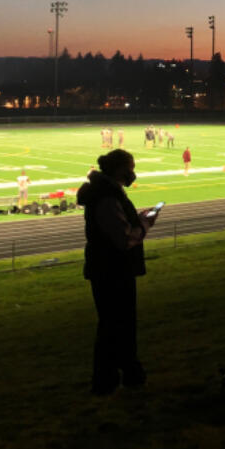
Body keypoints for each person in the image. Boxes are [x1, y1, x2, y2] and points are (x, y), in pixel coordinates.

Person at [77, 149, 155, 394]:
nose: (133, 173)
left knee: (116, 325)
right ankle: (107, 379)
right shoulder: (107, 196)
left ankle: (124, 374)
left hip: (109, 267)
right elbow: (122, 239)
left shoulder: (106, 192)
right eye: (130, 168)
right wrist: (145, 224)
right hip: (112, 269)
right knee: (115, 325)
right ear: (119, 169)